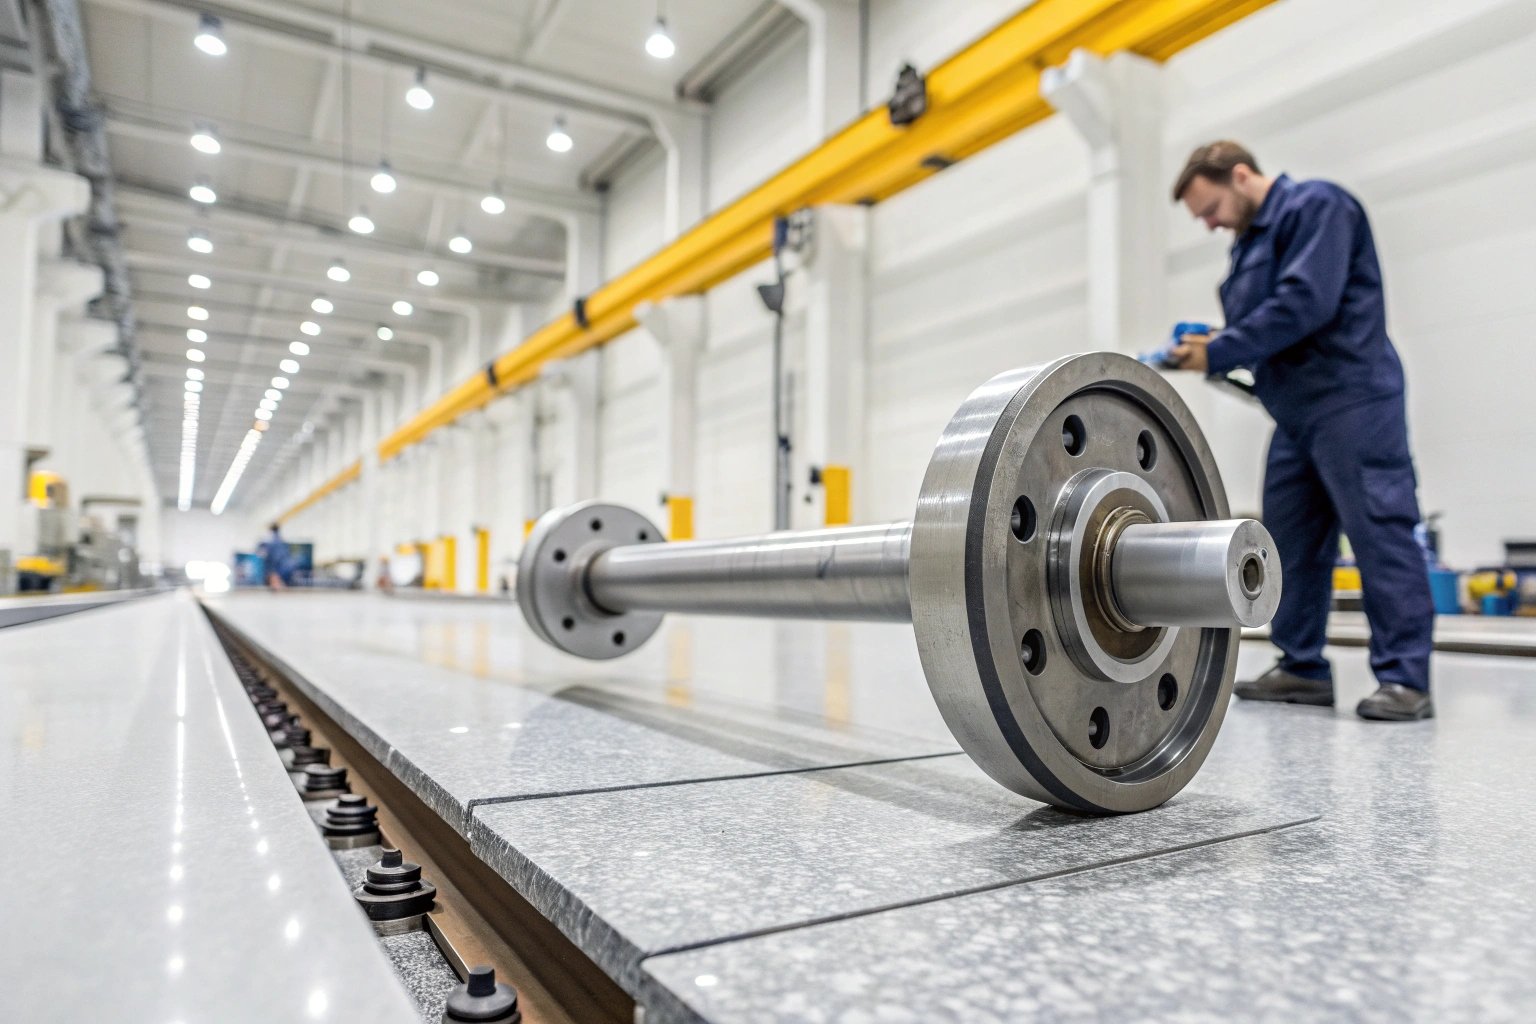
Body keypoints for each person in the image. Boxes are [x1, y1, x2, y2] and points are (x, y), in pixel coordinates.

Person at [1169, 141, 1434, 721]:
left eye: (1210, 208)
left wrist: (1218, 350)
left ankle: (1406, 679)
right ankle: (1301, 667)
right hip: (1295, 416)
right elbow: (1265, 325)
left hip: (1353, 400)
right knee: (1289, 541)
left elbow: (1303, 304)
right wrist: (1212, 347)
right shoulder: (1249, 245)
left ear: (1240, 176)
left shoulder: (1318, 208)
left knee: (1380, 533)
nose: (1210, 224)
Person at [258, 523, 293, 591]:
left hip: (275, 566)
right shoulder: (282, 542)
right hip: (281, 566)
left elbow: (264, 554)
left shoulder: (270, 542)